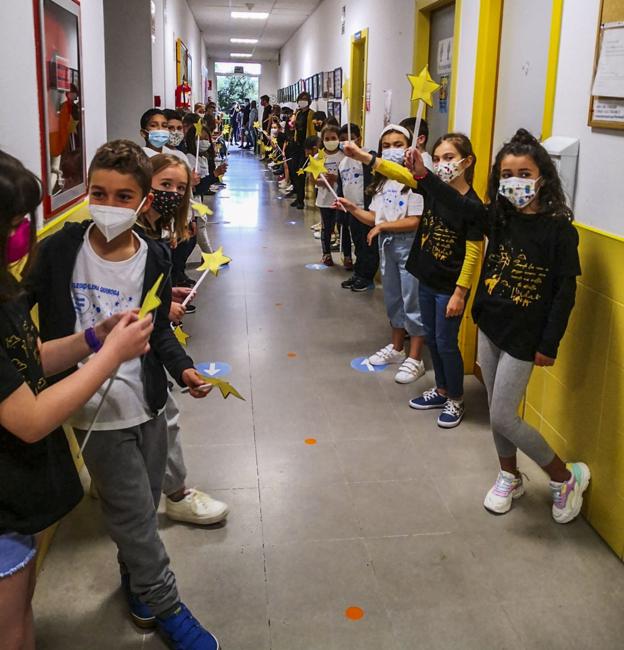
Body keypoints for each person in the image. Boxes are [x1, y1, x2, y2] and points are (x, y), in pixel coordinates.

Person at [27, 140, 222, 648]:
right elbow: (17, 308)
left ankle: (135, 581)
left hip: (147, 401)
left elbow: (156, 333)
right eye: (99, 193)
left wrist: (184, 371)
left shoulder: (153, 255)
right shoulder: (59, 249)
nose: (109, 206)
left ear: (141, 203)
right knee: (135, 516)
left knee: (142, 502)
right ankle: (167, 605)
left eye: (122, 196)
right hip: (91, 405)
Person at [0, 150, 152, 650]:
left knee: (19, 612)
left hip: (16, 504)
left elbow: (28, 360)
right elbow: (30, 417)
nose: (23, 233)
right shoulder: (61, 252)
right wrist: (110, 355)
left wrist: (92, 339)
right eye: (16, 222)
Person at [469, 129, 587, 521]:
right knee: (494, 408)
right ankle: (509, 475)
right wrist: (422, 176)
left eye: (523, 172)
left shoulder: (559, 231)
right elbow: (455, 203)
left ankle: (563, 476)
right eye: (506, 174)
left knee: (504, 415)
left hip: (526, 336)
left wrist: (549, 344)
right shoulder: (499, 220)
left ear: (542, 177)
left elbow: (563, 294)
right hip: (491, 325)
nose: (514, 181)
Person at [139, 153, 229, 525]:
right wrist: (160, 311)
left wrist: (162, 301)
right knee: (164, 419)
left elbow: (146, 297)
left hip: (150, 349)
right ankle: (176, 494)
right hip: (134, 354)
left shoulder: (157, 237)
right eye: (164, 186)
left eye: (180, 188)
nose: (173, 194)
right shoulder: (135, 241)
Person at [335, 124, 426, 385]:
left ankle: (416, 357)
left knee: (413, 301)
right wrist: (352, 208)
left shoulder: (415, 182)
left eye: (398, 145)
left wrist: (382, 226)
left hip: (409, 247)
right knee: (394, 299)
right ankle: (397, 349)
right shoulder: (384, 181)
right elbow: (375, 216)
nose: (391, 150)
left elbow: (415, 220)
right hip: (388, 247)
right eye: (386, 146)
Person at [403, 134, 483, 428]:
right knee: (433, 340)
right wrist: (365, 157)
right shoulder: (434, 192)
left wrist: (460, 293)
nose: (441, 165)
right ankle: (441, 389)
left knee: (447, 343)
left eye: (448, 158)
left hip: (451, 288)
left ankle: (456, 398)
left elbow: (474, 252)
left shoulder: (473, 206)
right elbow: (404, 174)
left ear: (467, 161)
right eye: (436, 159)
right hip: (428, 281)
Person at [337, 123, 379, 291]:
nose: (346, 142)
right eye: (342, 140)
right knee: (358, 245)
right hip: (351, 211)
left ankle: (367, 278)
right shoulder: (343, 163)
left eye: (350, 138)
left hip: (367, 211)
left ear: (359, 139)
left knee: (369, 246)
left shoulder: (368, 157)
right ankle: (358, 273)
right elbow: (342, 186)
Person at [315, 124, 349, 267]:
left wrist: (336, 179)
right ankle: (326, 254)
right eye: (327, 138)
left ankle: (347, 256)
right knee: (327, 227)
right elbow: (314, 179)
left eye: (333, 138)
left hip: (342, 198)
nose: (330, 141)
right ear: (322, 140)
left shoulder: (344, 156)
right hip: (324, 199)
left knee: (343, 227)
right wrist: (323, 181)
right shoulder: (318, 157)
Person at [291, 91, 316, 209]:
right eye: (301, 99)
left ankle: (301, 200)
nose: (303, 101)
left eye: (305, 99)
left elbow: (313, 133)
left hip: (305, 148)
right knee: (294, 171)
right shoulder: (298, 113)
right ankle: (298, 197)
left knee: (301, 173)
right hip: (297, 146)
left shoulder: (311, 114)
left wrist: (311, 148)